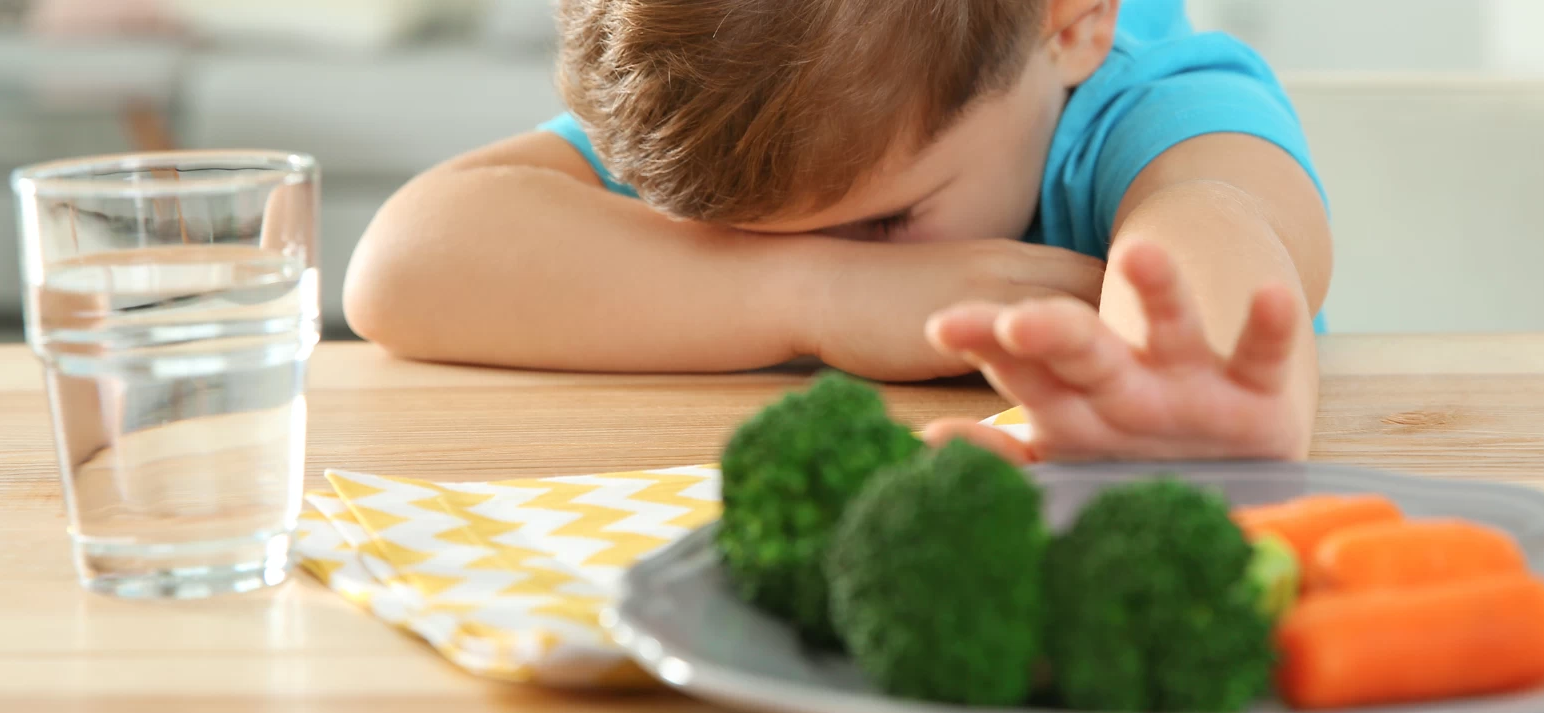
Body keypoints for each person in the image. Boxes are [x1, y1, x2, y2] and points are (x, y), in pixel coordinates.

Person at [344, 0, 1332, 462]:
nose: (810, 246)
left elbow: (1220, 217)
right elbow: (399, 263)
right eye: (731, 236)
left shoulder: (1142, 99)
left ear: (1067, 27)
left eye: (887, 221)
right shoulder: (756, 115)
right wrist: (816, 294)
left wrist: (1187, 389)